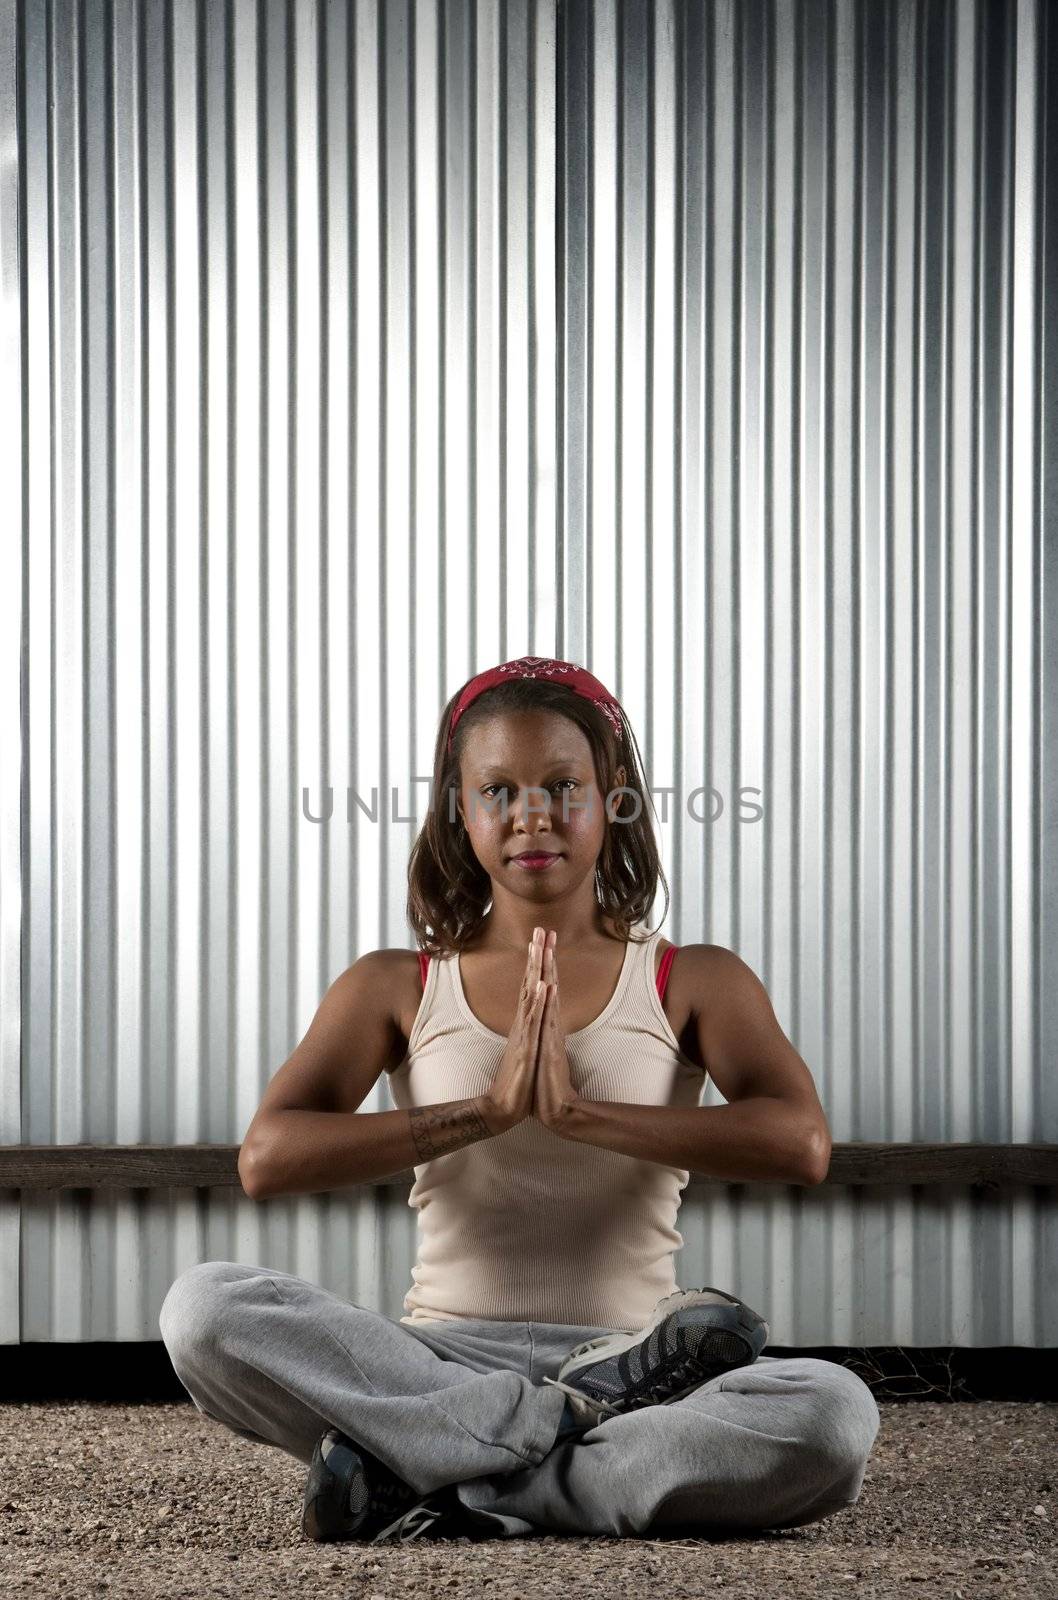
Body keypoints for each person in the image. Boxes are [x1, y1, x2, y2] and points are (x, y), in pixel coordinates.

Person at [159, 655, 880, 1545]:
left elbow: (800, 1142)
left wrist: (582, 1114)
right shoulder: (397, 984)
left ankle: (437, 1470)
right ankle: (554, 1440)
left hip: (640, 1363)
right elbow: (266, 1159)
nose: (530, 814)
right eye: (496, 790)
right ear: (460, 813)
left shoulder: (690, 977)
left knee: (830, 1416)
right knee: (204, 1311)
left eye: (561, 786)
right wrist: (484, 1113)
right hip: (434, 1362)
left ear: (611, 797)